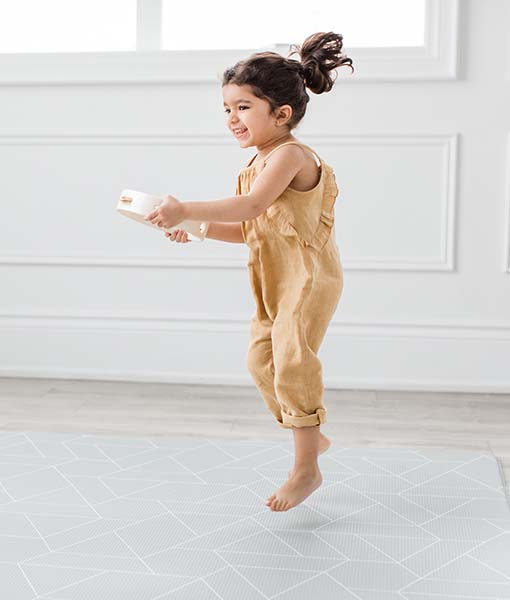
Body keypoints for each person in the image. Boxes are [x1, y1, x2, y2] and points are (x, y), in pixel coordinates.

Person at [146, 31, 354, 511]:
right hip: (272, 278)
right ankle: (310, 435)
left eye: (243, 107)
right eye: (227, 109)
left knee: (293, 363)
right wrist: (196, 228)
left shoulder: (291, 156)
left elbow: (252, 205)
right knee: (261, 363)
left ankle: (306, 469)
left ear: (281, 114)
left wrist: (187, 208)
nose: (232, 118)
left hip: (307, 277)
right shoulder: (255, 164)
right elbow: (250, 228)